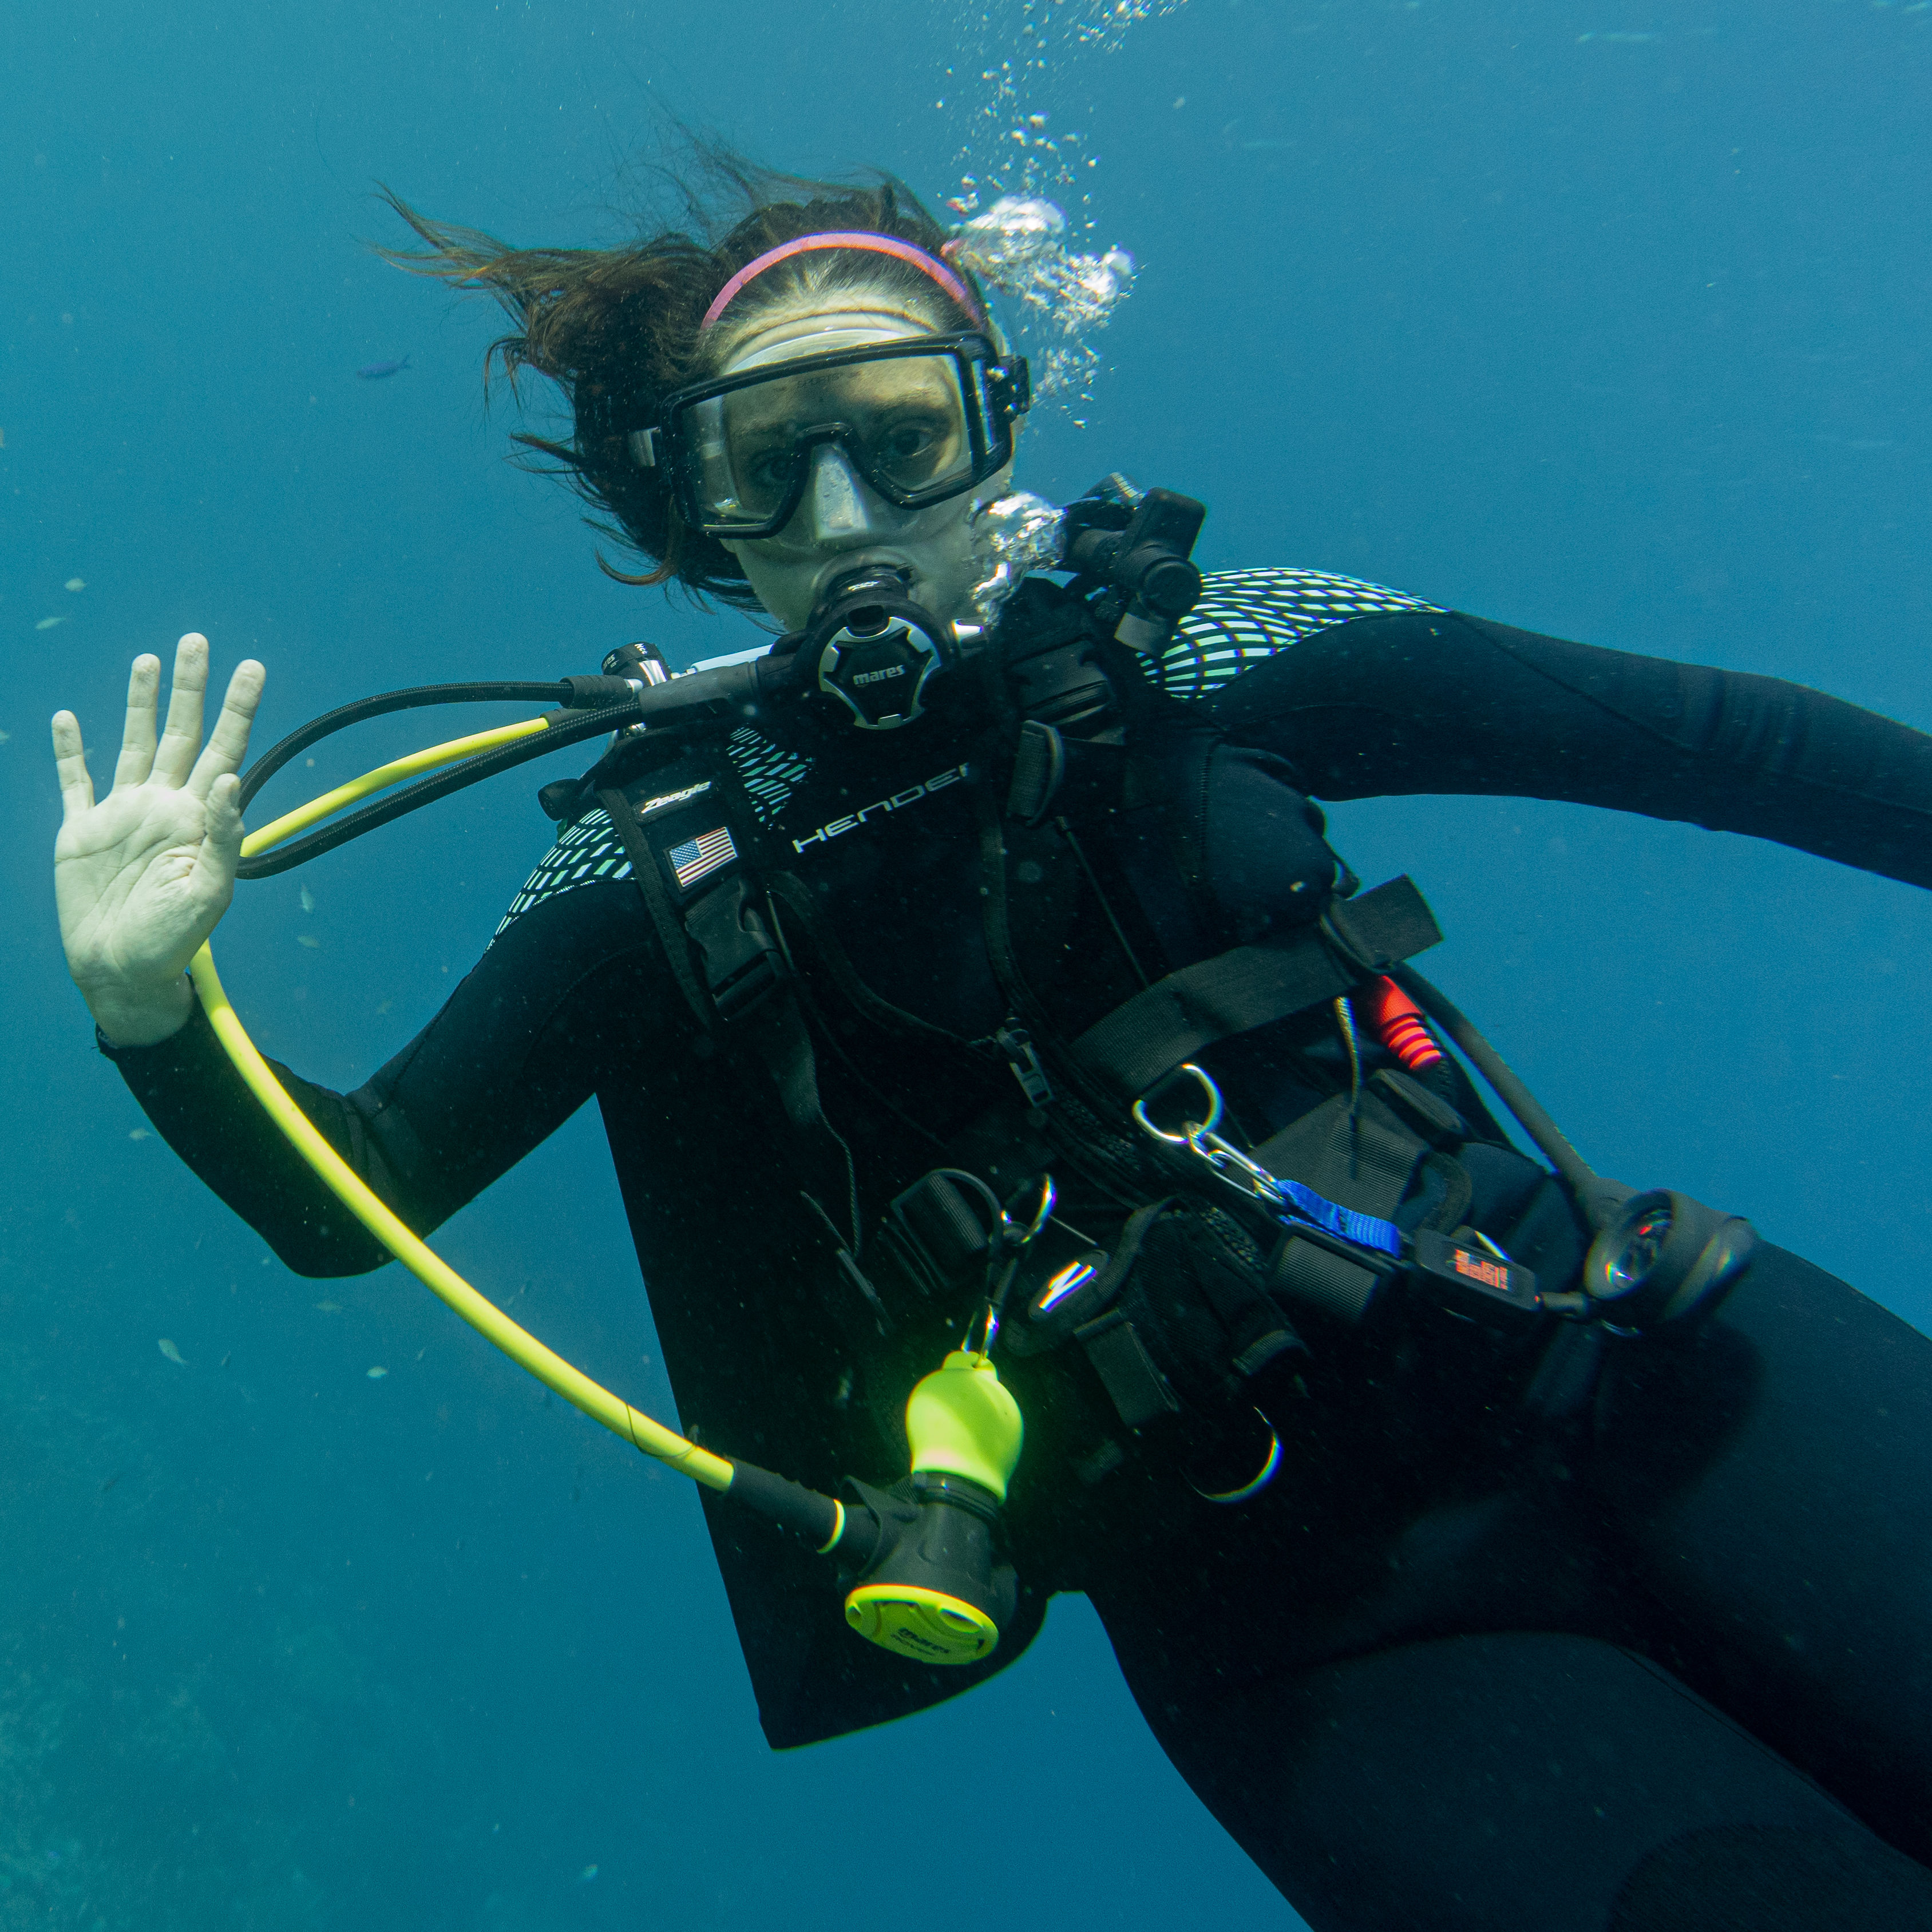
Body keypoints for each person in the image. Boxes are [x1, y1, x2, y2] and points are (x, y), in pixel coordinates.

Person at [50, 162, 1932, 1931]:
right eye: (773, 465)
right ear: (702, 511)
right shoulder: (676, 852)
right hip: (1306, 1628)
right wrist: (153, 1011)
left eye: (905, 432)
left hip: (1629, 1356)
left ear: (997, 428)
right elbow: (355, 1190)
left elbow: (1725, 747)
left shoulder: (1200, 653)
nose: (849, 514)